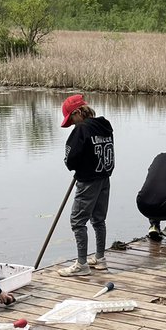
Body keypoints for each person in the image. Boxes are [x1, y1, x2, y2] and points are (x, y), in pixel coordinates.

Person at [59, 93, 115, 277]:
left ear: (77, 113)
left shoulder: (81, 129)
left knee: (77, 221)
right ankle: (100, 259)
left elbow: (71, 160)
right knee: (99, 219)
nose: (72, 124)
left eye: (72, 119)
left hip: (88, 181)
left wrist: (76, 164)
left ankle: (81, 264)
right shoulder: (105, 126)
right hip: (104, 178)